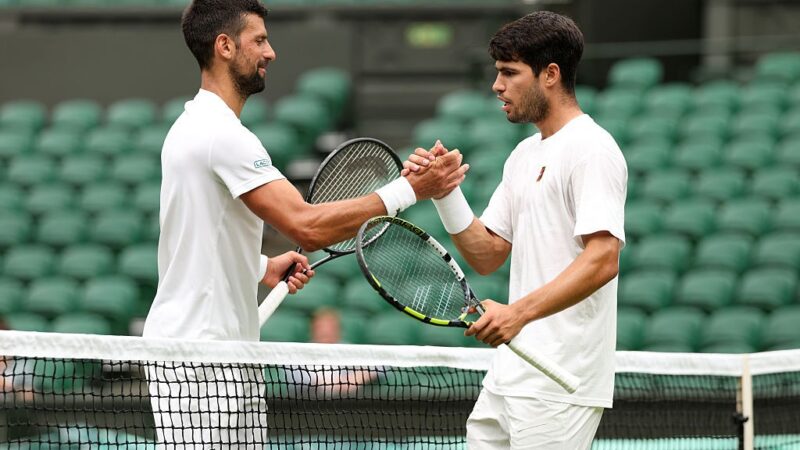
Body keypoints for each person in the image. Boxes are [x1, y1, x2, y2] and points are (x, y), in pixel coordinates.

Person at [141, 0, 468, 447]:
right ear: (224, 46)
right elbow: (307, 227)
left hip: (218, 353)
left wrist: (259, 267)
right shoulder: (222, 135)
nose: (270, 52)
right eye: (258, 40)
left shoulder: (190, 127)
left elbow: (195, 238)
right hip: (202, 359)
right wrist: (410, 190)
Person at [404, 11, 627, 449]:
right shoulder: (523, 154)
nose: (497, 85)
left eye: (509, 73)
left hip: (559, 382)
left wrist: (517, 313)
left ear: (550, 75)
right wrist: (445, 193)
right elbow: (487, 255)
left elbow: (603, 259)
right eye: (497, 73)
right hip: (509, 376)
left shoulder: (592, 149)